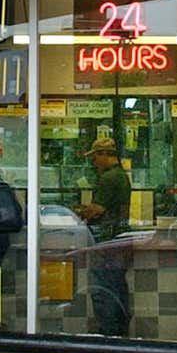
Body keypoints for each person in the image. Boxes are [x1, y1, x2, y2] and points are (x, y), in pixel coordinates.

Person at [72, 137, 132, 336]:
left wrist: (80, 212)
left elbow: (97, 210)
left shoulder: (109, 178)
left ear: (105, 155)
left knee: (103, 287)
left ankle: (108, 333)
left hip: (106, 239)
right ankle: (120, 331)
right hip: (118, 237)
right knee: (117, 285)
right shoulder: (121, 176)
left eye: (95, 156)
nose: (93, 162)